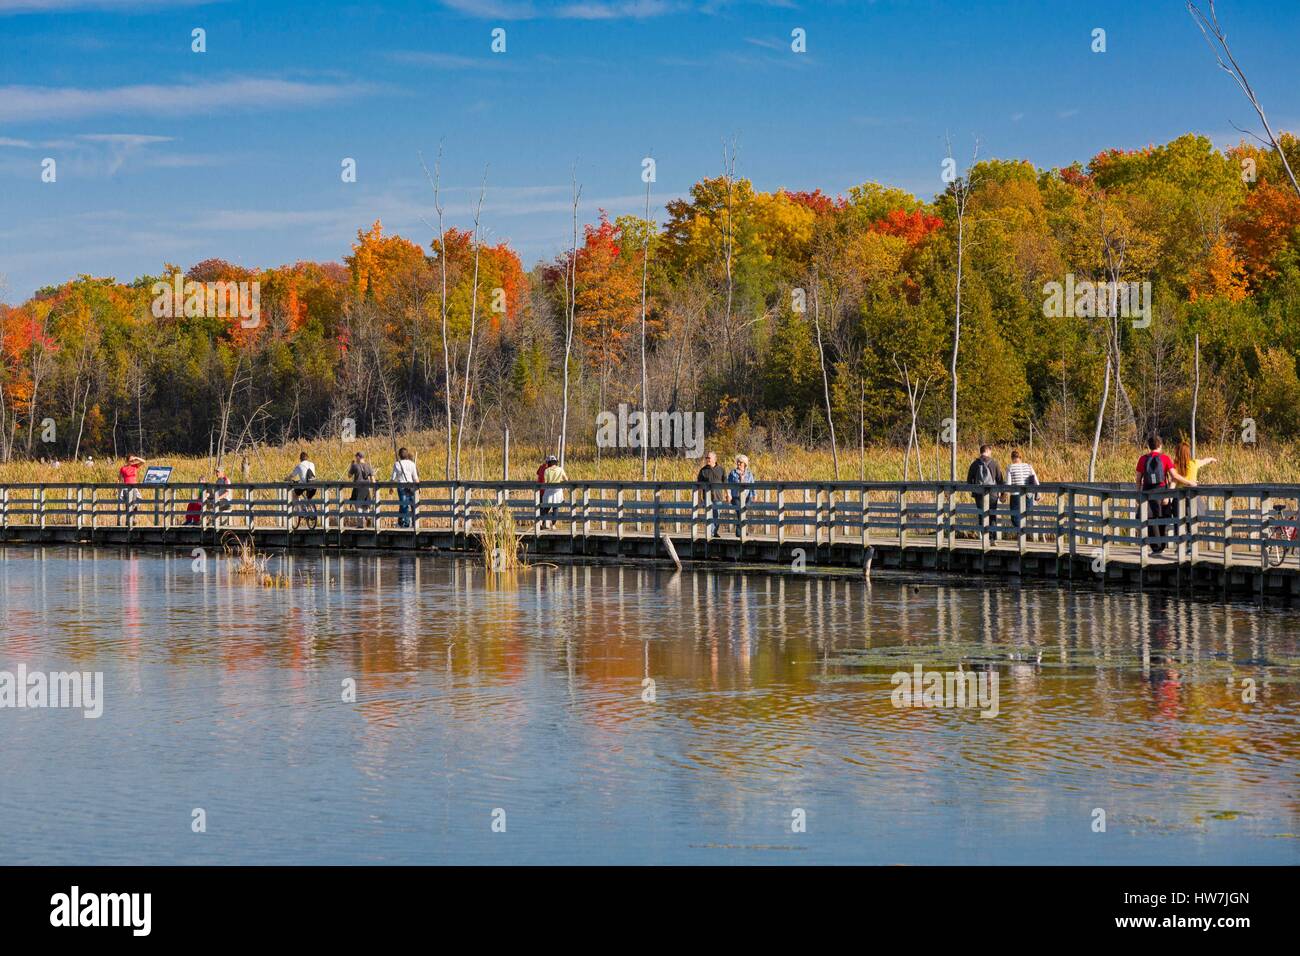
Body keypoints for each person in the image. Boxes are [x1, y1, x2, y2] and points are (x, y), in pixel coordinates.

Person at [1136, 434, 1187, 554]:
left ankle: (1155, 548)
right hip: (1162, 491)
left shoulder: (1143, 459)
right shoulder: (1165, 458)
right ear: (1160, 445)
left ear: (1149, 446)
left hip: (1147, 492)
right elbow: (1174, 476)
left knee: (1150, 518)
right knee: (1163, 517)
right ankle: (1162, 546)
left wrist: (1138, 493)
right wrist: (1189, 482)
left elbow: (1138, 479)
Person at [965, 445, 1005, 540]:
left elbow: (969, 480)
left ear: (981, 452)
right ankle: (992, 538)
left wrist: (974, 491)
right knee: (992, 514)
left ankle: (983, 537)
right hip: (993, 494)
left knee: (981, 514)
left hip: (979, 494)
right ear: (988, 451)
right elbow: (1000, 479)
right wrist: (1002, 493)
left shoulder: (975, 464)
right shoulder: (994, 463)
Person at [1005, 448, 1039, 536]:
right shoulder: (1028, 466)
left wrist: (1004, 494)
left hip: (1016, 495)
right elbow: (1036, 481)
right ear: (1020, 457)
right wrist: (1037, 494)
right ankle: (1022, 535)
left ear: (1012, 458)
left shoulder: (1010, 467)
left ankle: (1020, 534)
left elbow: (1008, 484)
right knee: (1024, 515)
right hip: (1028, 495)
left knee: (1015, 516)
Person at [696, 450, 726, 538]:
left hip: (718, 497)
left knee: (717, 515)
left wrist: (728, 494)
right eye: (706, 458)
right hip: (707, 497)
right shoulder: (703, 470)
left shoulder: (721, 470)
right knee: (709, 515)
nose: (707, 459)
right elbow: (699, 486)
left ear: (714, 459)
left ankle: (714, 532)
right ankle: (711, 533)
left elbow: (725, 483)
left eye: (709, 458)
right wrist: (698, 498)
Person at [286, 451, 318, 527]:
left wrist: (286, 478)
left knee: (294, 494)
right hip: (313, 485)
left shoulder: (299, 465)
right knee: (308, 498)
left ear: (300, 459)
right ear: (307, 458)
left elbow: (292, 475)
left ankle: (301, 511)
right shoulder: (312, 464)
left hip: (304, 485)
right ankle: (311, 511)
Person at [726, 454, 755, 537]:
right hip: (736, 496)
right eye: (738, 462)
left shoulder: (749, 474)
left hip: (747, 496)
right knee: (739, 512)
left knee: (743, 512)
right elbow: (728, 484)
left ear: (745, 464)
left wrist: (754, 495)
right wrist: (729, 495)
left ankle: (740, 531)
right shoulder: (733, 473)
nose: (738, 464)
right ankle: (740, 532)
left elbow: (752, 484)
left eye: (740, 462)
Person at [391, 447, 419, 528]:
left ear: (399, 455)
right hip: (411, 486)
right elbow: (416, 478)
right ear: (407, 455)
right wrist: (419, 488)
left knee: (404, 505)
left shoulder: (397, 464)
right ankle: (414, 523)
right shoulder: (412, 464)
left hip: (401, 486)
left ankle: (406, 523)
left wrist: (391, 487)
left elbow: (393, 478)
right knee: (413, 504)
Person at [347, 452, 375, 528]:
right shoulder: (368, 466)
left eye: (356, 457)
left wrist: (351, 465)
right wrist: (375, 488)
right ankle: (367, 517)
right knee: (366, 505)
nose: (356, 458)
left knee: (358, 506)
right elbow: (373, 479)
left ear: (359, 457)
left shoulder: (355, 466)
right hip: (366, 488)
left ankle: (360, 525)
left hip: (357, 488)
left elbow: (349, 476)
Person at [541, 455, 568, 529]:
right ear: (556, 462)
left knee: (546, 508)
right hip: (558, 491)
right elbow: (566, 479)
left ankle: (542, 522)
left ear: (549, 462)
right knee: (555, 508)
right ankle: (553, 525)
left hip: (549, 490)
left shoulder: (547, 470)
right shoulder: (560, 469)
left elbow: (545, 482)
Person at [119, 454, 145, 520]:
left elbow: (143, 461)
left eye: (133, 460)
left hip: (134, 487)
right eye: (131, 460)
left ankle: (132, 518)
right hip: (126, 487)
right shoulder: (123, 468)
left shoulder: (135, 466)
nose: (132, 461)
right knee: (129, 504)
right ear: (127, 461)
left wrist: (136, 458)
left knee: (139, 500)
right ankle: (130, 520)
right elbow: (120, 478)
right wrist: (118, 488)